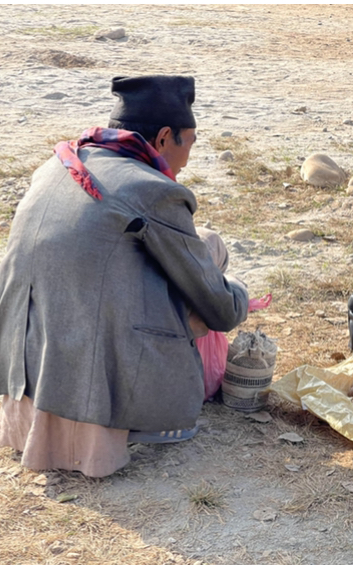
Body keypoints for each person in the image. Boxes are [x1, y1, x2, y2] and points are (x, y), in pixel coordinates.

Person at [0, 75, 249, 477]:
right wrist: (237, 290)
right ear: (165, 137)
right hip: (90, 387)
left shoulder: (58, 163)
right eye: (190, 143)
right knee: (210, 250)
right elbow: (219, 309)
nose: (187, 159)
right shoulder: (152, 190)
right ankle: (143, 415)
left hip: (24, 371)